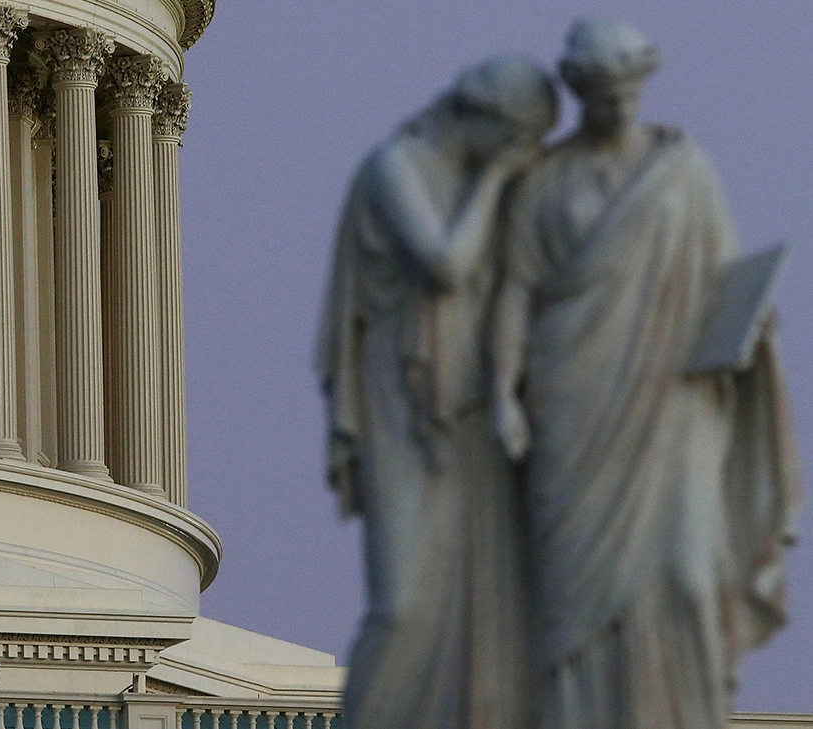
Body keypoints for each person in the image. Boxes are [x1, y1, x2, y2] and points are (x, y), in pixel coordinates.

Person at [491, 20, 802, 728]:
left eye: (629, 90)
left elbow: (724, 279)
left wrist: (755, 328)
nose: (619, 106)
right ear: (579, 92)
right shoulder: (543, 182)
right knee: (572, 600)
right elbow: (514, 289)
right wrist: (506, 393)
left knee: (688, 577)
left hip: (677, 398)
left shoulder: (682, 168)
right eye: (604, 94)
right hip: (571, 398)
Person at [317, 57, 557, 729]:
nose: (522, 155)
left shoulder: (471, 183)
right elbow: (448, 265)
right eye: (520, 139)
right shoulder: (397, 166)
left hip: (466, 408)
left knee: (479, 606)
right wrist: (498, 177)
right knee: (403, 604)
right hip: (401, 401)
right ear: (488, 120)